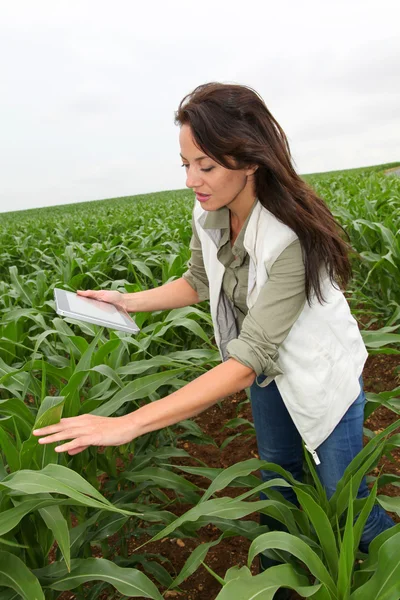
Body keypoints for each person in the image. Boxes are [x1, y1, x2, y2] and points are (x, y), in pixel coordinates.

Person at [33, 82, 394, 585]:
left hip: (317, 373)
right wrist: (127, 301)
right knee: (278, 480)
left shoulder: (291, 238)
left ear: (249, 160)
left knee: (344, 496)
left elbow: (250, 358)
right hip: (270, 376)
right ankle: (278, 580)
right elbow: (199, 279)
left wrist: (131, 422)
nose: (190, 180)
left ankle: (391, 564)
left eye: (205, 165)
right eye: (185, 164)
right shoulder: (210, 213)